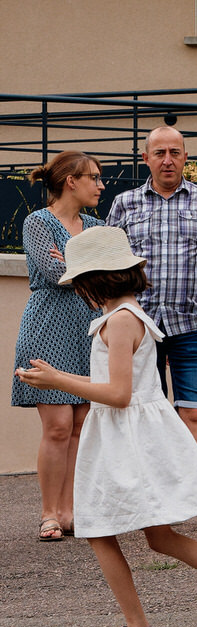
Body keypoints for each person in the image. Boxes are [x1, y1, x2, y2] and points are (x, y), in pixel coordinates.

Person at [15, 226, 197, 627]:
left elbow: (118, 395)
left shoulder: (120, 322)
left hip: (127, 440)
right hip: (134, 435)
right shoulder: (128, 315)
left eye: (80, 281)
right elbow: (116, 385)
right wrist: (56, 377)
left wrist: (58, 379)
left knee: (99, 530)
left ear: (94, 281)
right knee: (157, 536)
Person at [105, 127, 197, 529]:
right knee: (139, 414)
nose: (167, 160)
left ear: (185, 157)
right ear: (145, 158)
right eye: (159, 152)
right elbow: (109, 265)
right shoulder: (124, 204)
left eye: (175, 152)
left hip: (191, 326)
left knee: (194, 413)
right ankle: (148, 503)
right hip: (139, 329)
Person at [13, 151, 103, 542]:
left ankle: (70, 512)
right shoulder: (39, 222)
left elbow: (110, 278)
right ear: (71, 181)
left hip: (88, 330)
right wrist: (86, 266)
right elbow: (54, 275)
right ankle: (49, 513)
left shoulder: (98, 226)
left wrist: (73, 261)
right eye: (94, 178)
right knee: (58, 426)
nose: (101, 185)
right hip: (47, 328)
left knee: (81, 424)